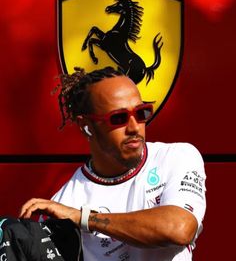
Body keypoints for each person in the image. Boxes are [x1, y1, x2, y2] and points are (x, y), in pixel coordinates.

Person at [20, 66, 206, 261]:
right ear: (87, 127)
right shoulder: (63, 204)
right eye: (119, 118)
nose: (134, 127)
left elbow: (179, 228)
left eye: (141, 113)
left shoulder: (176, 157)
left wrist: (86, 219)